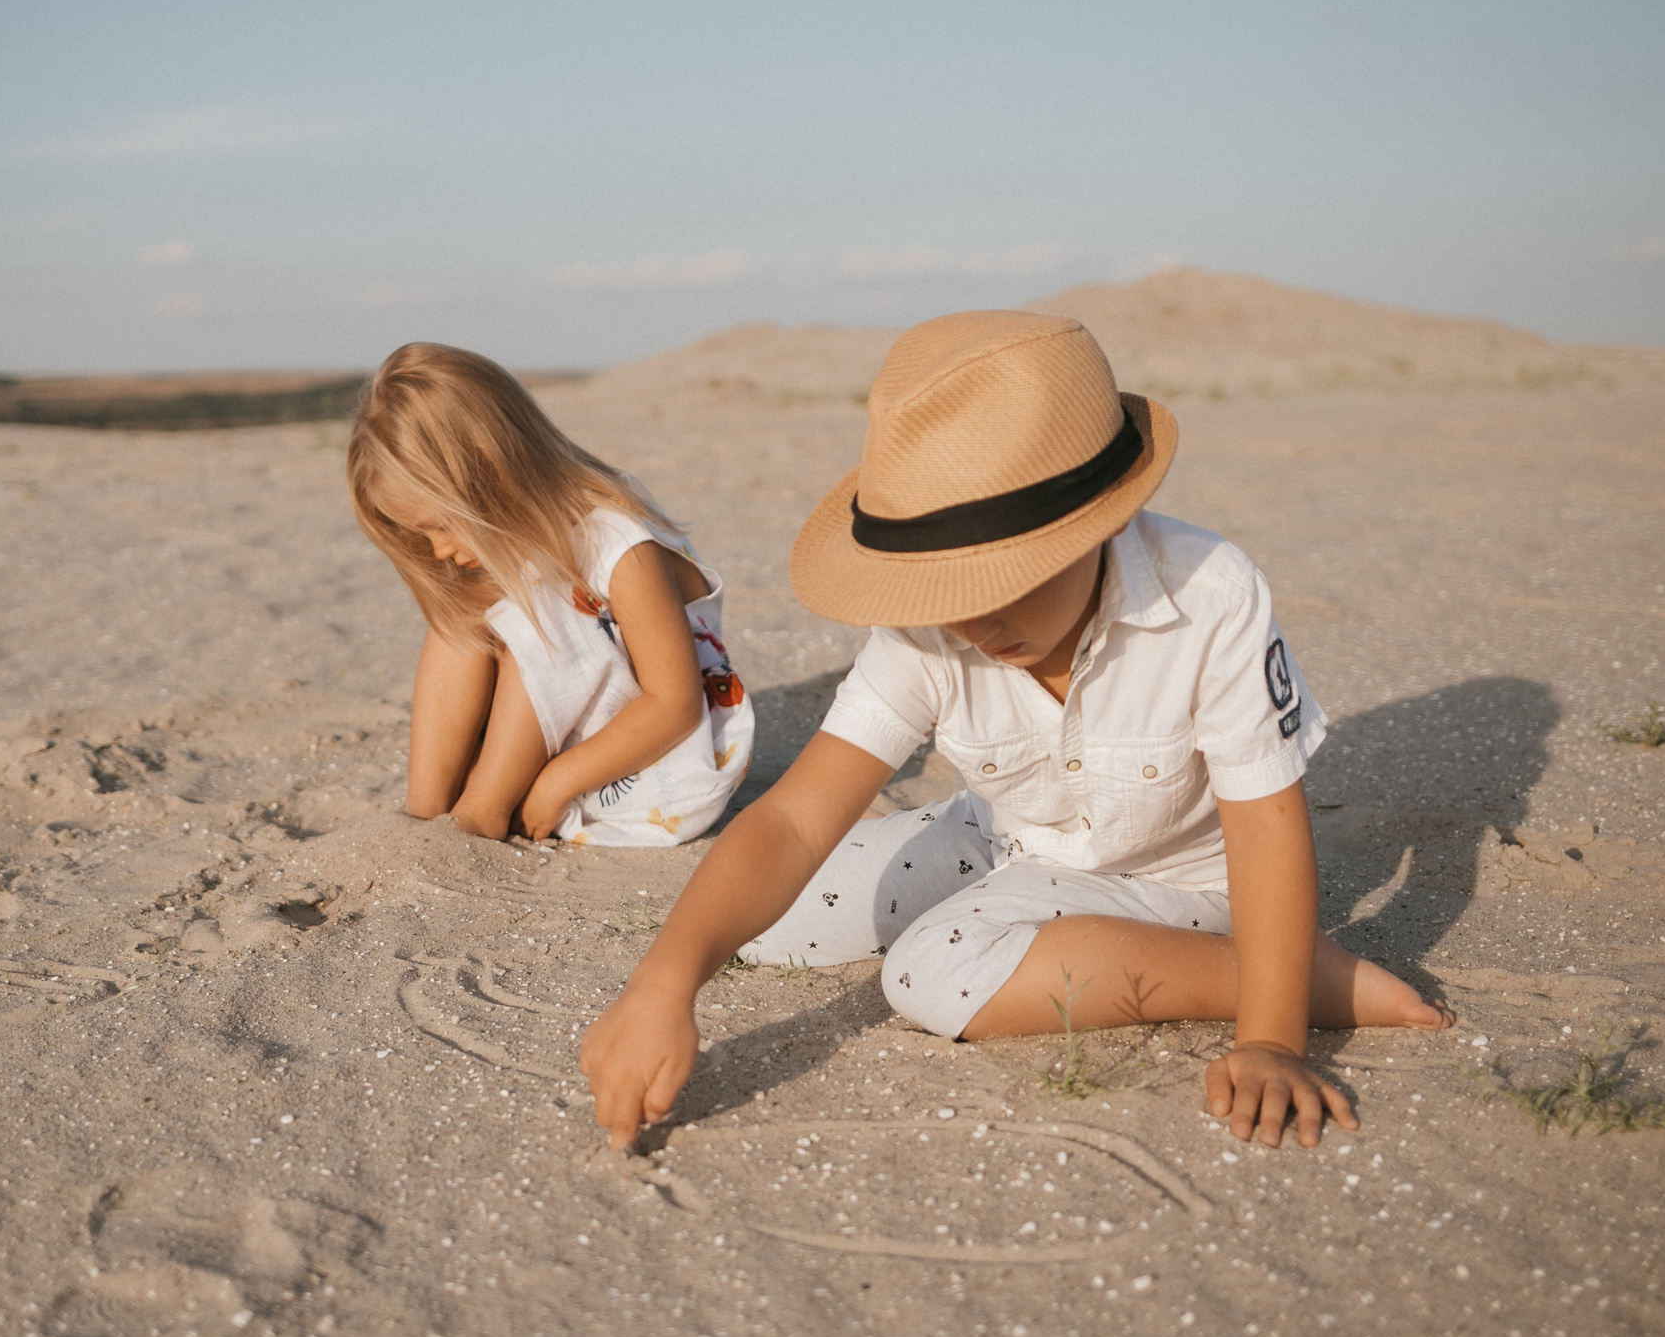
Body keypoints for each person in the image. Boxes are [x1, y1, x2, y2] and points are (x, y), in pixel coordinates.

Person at [580, 310, 1449, 1151]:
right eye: (947, 593)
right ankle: (1205, 949)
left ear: (1100, 521)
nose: (976, 621)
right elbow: (795, 819)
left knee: (930, 972)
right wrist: (661, 984)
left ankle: (1280, 969)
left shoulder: (1209, 595)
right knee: (764, 922)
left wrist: (1270, 1035)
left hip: (1179, 884)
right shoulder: (926, 626)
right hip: (1010, 841)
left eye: (1007, 581)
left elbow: (1264, 823)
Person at [348, 342, 753, 846]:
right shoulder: (533, 534)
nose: (440, 550)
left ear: (492, 475)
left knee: (541, 615)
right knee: (460, 618)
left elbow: (674, 707)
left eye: (444, 526)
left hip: (661, 772)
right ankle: (426, 814)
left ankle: (483, 812)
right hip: (573, 750)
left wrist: (556, 783)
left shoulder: (620, 544)